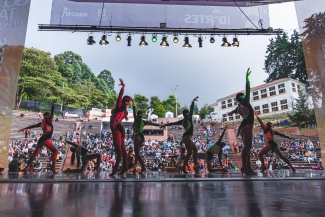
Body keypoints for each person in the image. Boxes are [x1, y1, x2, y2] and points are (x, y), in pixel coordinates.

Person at [19, 100, 59, 174]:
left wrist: (25, 128)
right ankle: (53, 168)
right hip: (45, 139)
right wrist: (53, 104)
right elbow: (52, 112)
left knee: (35, 154)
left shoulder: (42, 122)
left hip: (41, 140)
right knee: (55, 151)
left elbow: (33, 126)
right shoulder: (49, 121)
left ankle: (26, 167)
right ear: (48, 116)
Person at [228, 68, 255, 176]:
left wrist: (230, 113)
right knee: (247, 147)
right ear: (242, 98)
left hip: (243, 127)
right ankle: (244, 167)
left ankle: (248, 167)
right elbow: (248, 89)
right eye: (243, 95)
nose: (245, 95)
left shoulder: (239, 106)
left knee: (247, 147)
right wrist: (247, 78)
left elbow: (234, 111)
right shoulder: (246, 103)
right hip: (247, 126)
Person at [164, 96, 199, 173]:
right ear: (186, 115)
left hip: (187, 137)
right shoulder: (186, 119)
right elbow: (191, 110)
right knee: (190, 152)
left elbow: (173, 123)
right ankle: (183, 167)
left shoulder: (184, 120)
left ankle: (196, 166)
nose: (188, 115)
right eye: (187, 114)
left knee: (195, 150)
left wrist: (193, 101)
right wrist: (193, 102)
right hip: (186, 137)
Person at [132, 98, 163, 174]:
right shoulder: (143, 121)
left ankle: (143, 168)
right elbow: (153, 124)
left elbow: (134, 111)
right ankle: (135, 167)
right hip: (141, 136)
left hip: (138, 136)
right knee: (137, 153)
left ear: (137, 115)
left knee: (136, 153)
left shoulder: (137, 120)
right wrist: (160, 125)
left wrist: (133, 103)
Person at [109, 78, 131, 176]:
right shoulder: (124, 111)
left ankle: (114, 171)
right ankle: (125, 167)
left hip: (117, 130)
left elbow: (120, 96)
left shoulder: (119, 107)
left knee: (119, 152)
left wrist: (123, 86)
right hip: (120, 130)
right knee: (123, 150)